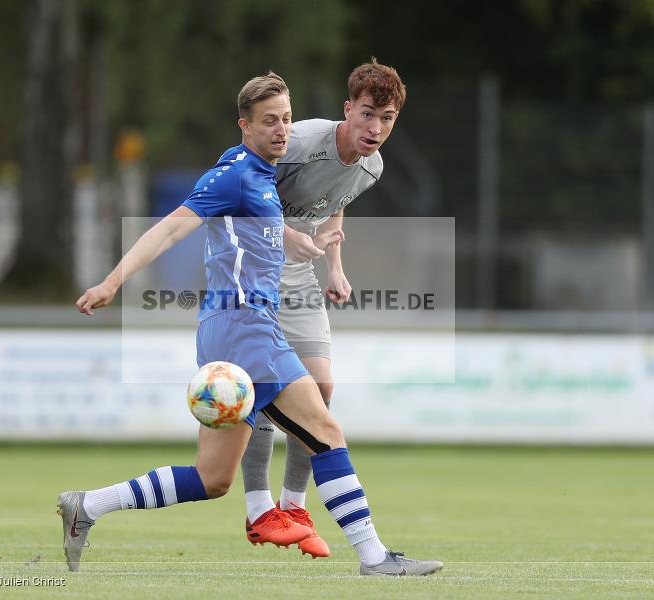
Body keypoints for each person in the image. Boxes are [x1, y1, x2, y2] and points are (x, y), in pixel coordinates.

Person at [59, 72, 441, 577]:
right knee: (324, 427)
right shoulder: (236, 173)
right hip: (245, 325)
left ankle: (87, 506)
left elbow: (287, 224)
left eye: (286, 118)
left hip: (234, 326)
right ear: (245, 126)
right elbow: (172, 227)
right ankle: (373, 556)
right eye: (270, 122)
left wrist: (303, 247)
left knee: (213, 478)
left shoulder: (263, 174)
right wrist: (112, 282)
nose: (283, 129)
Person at [240, 58, 406, 559]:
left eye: (388, 118)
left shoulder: (372, 164)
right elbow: (243, 180)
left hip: (299, 273)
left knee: (322, 390)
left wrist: (335, 264)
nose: (376, 128)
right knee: (271, 393)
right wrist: (285, 233)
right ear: (348, 109)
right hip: (252, 270)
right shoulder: (302, 142)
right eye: (368, 115)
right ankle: (259, 506)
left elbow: (337, 199)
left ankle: (293, 506)